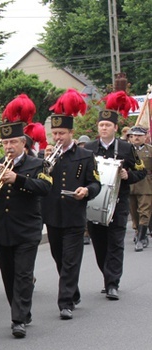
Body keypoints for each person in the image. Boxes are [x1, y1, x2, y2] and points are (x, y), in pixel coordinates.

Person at [0, 120, 52, 338]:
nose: (9, 146)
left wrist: (17, 179)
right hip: (1, 228)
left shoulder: (37, 163)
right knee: (8, 275)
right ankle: (22, 309)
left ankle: (18, 319)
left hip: (27, 228)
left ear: (23, 143)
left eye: (13, 141)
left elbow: (44, 187)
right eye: (5, 142)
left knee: (23, 274)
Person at [41, 89, 101, 319]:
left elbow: (95, 183)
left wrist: (86, 191)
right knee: (59, 257)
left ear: (71, 133)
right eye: (54, 133)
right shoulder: (45, 157)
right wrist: (44, 162)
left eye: (62, 133)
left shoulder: (85, 156)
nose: (57, 137)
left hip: (75, 216)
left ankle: (65, 302)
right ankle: (72, 291)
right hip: (53, 215)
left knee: (70, 259)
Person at [84, 93, 146, 300]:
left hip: (118, 203)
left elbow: (141, 171)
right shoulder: (89, 149)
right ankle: (107, 275)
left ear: (115, 128)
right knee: (99, 243)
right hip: (94, 202)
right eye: (101, 125)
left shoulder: (127, 148)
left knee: (116, 242)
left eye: (107, 125)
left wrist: (128, 175)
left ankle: (112, 283)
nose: (104, 128)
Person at [128, 126, 152, 251]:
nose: (136, 137)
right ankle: (138, 231)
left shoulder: (150, 150)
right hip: (130, 185)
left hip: (146, 185)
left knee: (144, 211)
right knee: (134, 212)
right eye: (134, 135)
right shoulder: (127, 150)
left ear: (145, 137)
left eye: (139, 135)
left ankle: (142, 237)